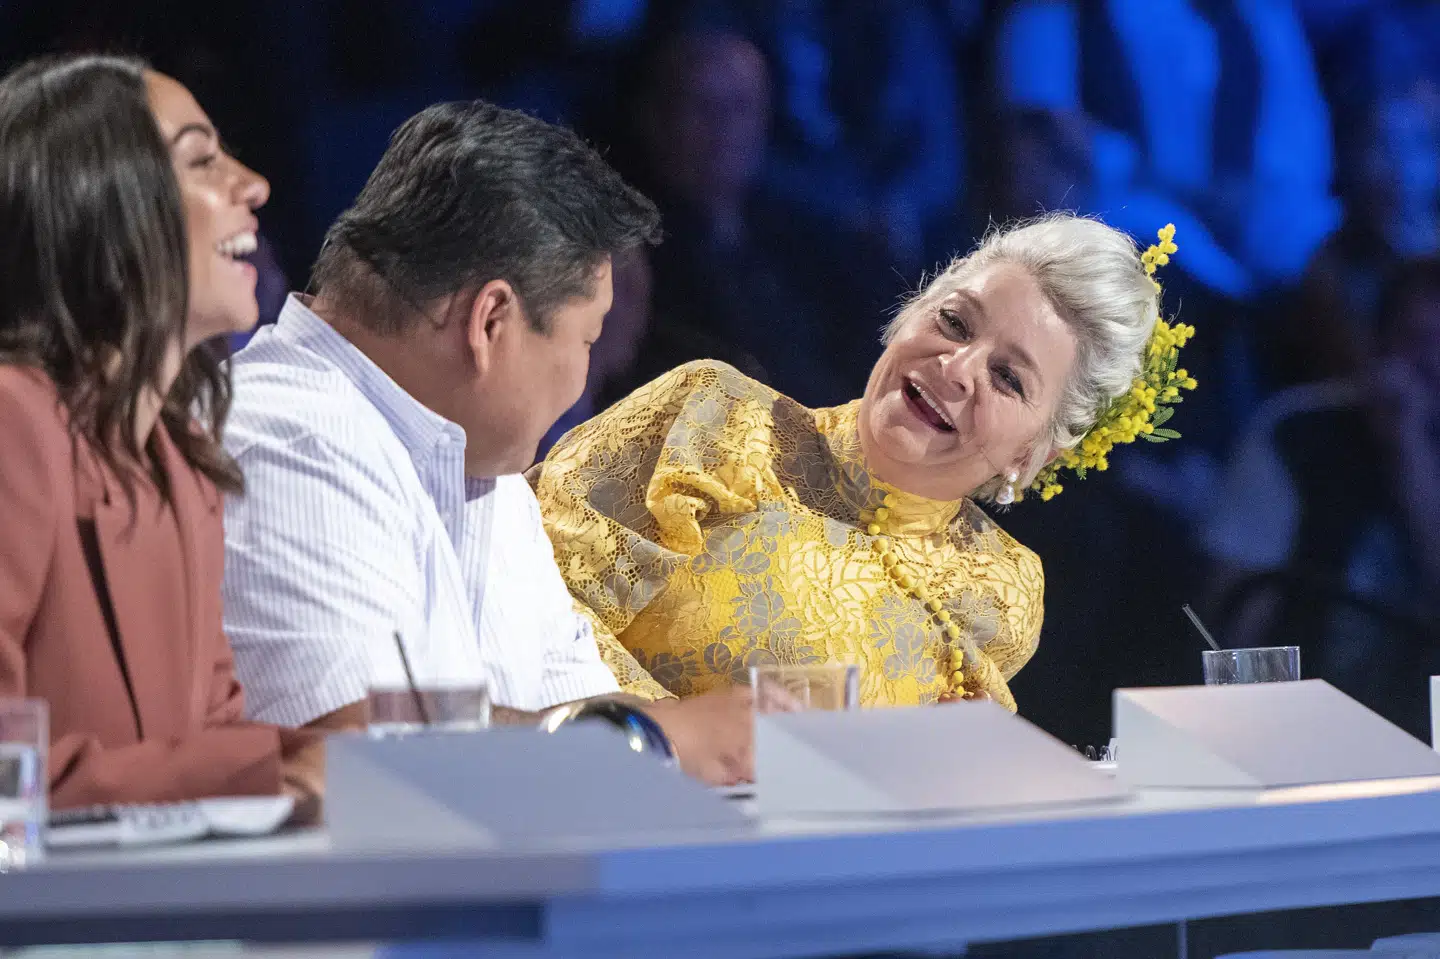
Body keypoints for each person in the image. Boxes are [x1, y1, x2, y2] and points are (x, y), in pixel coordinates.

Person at [222, 101, 757, 786]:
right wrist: (655, 741)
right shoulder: (287, 438)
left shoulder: (485, 468)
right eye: (588, 340)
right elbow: (365, 759)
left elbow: (572, 706)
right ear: (491, 321)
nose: (585, 379)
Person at [532, 214, 1195, 710]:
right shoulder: (712, 417)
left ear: (1034, 452)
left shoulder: (1001, 588)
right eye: (955, 323)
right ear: (911, 313)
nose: (957, 368)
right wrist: (688, 740)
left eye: (1008, 378)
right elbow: (527, 605)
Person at [0, 54, 318, 811]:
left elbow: (210, 738)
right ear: (100, 204)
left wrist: (352, 759)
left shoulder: (182, 464)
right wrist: (274, 776)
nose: (253, 184)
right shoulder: (13, 422)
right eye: (202, 160)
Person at [1200, 258, 1440, 738]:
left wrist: (1411, 457)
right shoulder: (1297, 434)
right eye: (1417, 344)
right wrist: (1254, 731)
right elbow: (1236, 600)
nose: (1430, 368)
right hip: (1291, 719)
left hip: (1418, 734)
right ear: (1378, 345)